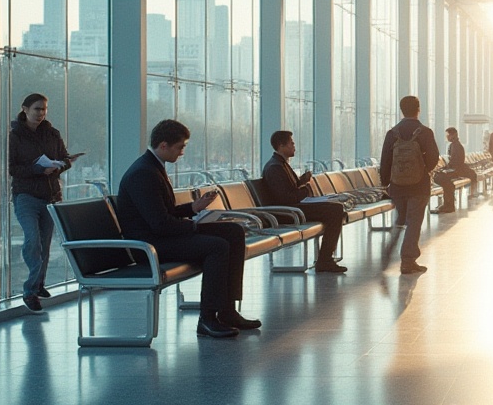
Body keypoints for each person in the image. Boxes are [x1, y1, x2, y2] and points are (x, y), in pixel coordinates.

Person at [115, 119, 259, 338]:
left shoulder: (152, 167)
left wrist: (193, 208)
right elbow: (160, 224)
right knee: (217, 246)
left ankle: (228, 310)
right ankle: (208, 318)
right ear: (163, 145)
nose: (182, 152)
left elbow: (163, 212)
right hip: (149, 244)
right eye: (180, 147)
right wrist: (193, 224)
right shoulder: (143, 174)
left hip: (160, 236)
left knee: (234, 232)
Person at [7, 93, 77, 313]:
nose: (41, 113)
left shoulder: (52, 133)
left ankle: (39, 284)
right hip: (26, 196)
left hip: (51, 196)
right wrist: (39, 169)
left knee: (45, 245)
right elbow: (13, 169)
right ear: (25, 109)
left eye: (44, 109)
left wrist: (61, 165)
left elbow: (65, 158)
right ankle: (30, 290)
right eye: (37, 109)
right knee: (33, 240)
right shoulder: (15, 136)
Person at [259, 130, 348, 273]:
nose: (294, 147)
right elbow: (287, 198)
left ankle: (326, 258)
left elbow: (288, 190)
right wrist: (306, 189)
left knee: (336, 209)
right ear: (281, 146)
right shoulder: (275, 167)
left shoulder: (279, 164)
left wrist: (302, 181)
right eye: (291, 144)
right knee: (335, 211)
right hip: (286, 212)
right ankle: (325, 260)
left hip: (292, 208)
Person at [380, 95, 442, 274]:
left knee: (400, 220)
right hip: (419, 185)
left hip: (397, 186)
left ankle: (389, 249)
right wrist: (424, 170)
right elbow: (433, 157)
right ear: (418, 109)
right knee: (414, 222)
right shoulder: (425, 132)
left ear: (401, 110)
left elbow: (385, 161)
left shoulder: (392, 133)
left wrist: (386, 184)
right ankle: (407, 260)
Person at [438, 127, 479, 203]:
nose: (447, 137)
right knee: (473, 174)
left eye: (448, 135)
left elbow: (454, 162)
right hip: (459, 169)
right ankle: (472, 193)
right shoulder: (455, 145)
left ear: (453, 135)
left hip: (457, 170)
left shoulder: (455, 146)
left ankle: (451, 200)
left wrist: (446, 167)